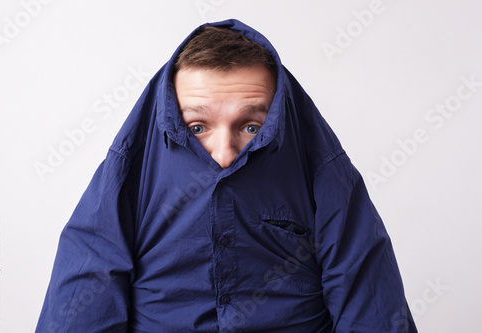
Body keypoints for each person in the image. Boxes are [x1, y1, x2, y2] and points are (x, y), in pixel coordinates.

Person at [36, 19, 417, 332]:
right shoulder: (129, 174)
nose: (224, 154)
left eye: (251, 127)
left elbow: (372, 309)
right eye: (198, 127)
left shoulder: (324, 175)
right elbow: (81, 305)